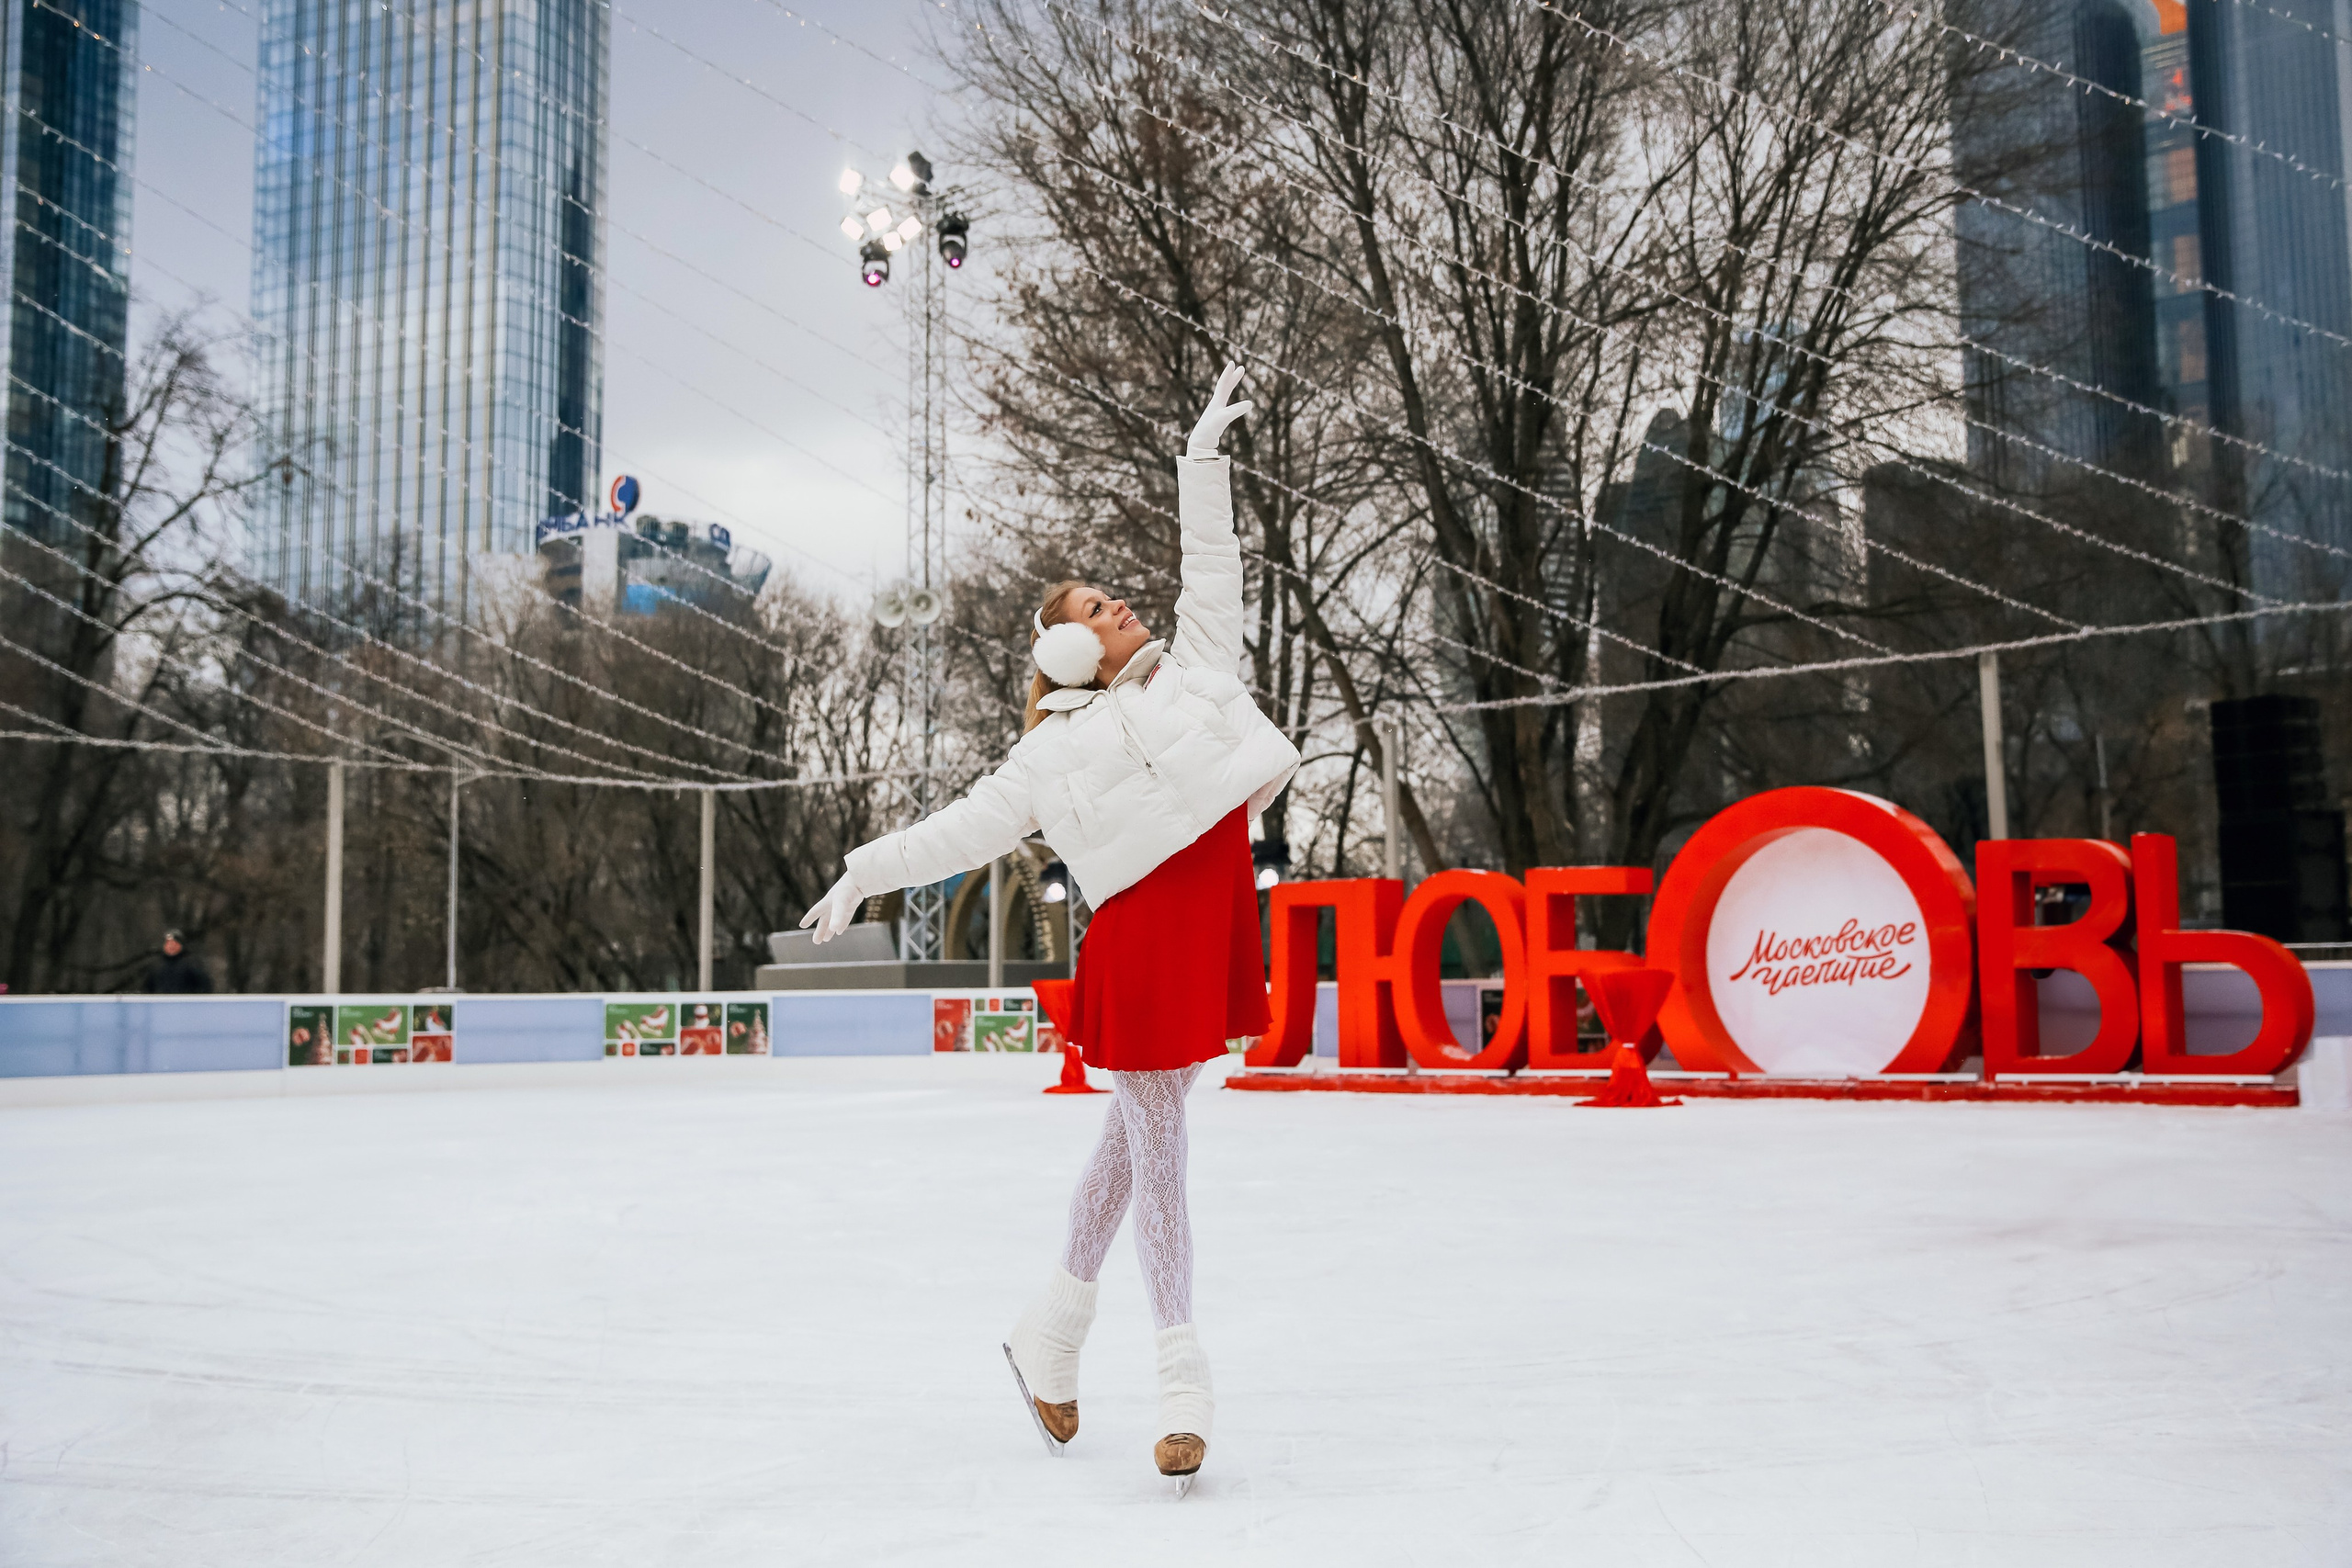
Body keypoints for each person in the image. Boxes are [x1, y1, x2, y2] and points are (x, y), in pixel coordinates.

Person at [802, 367, 1296, 1488]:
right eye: (1092, 611)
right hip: (1139, 939)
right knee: (1159, 1143)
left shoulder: (1197, 668)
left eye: (1112, 598)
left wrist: (1200, 465)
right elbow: (955, 833)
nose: (1119, 605)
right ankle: (1181, 1375)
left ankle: (1049, 1336)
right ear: (1065, 653)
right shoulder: (1046, 755)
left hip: (1208, 913)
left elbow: (1211, 566)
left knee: (1136, 1137)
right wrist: (862, 869)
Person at [143, 931, 212, 994]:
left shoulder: (192, 963)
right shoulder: (156, 965)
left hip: (185, 1005)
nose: (171, 946)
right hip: (161, 1005)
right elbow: (147, 989)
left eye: (174, 943)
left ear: (181, 945)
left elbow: (205, 986)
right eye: (168, 943)